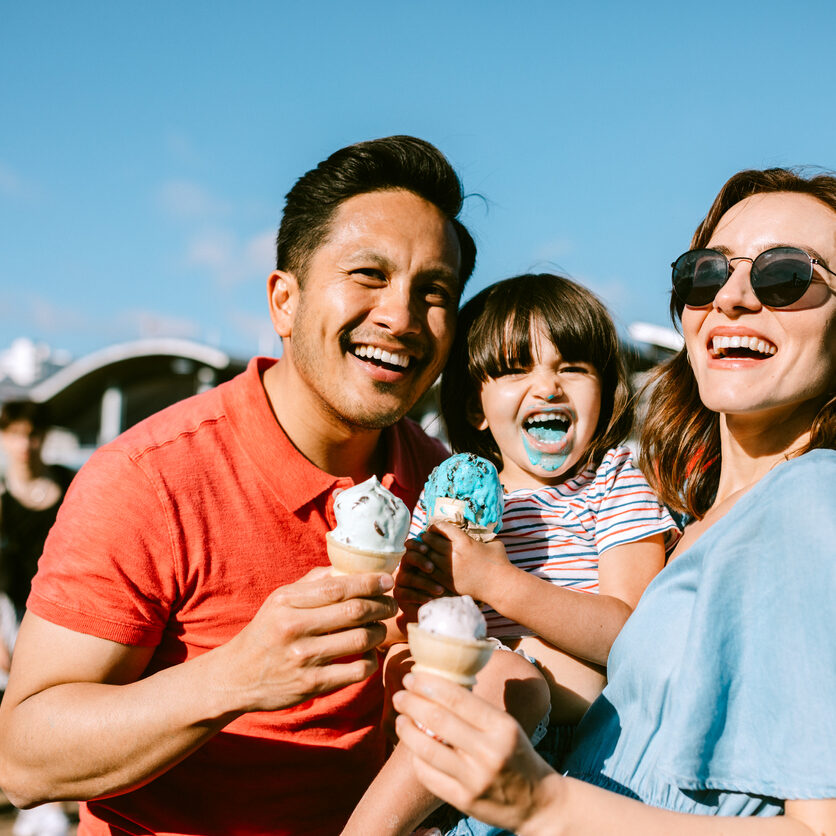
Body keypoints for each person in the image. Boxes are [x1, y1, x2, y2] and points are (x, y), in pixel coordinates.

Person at [0, 135, 477, 836]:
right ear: (284, 301)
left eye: (433, 291)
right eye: (369, 274)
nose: (401, 317)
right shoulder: (151, 478)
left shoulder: (445, 492)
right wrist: (238, 676)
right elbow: (22, 758)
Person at [393, 167, 836, 835]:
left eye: (786, 277)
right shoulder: (698, 524)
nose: (733, 298)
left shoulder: (809, 498)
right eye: (706, 274)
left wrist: (546, 806)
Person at [343, 274, 679, 835]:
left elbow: (631, 636)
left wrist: (495, 582)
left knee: (510, 676)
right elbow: (403, 640)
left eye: (572, 366)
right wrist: (414, 600)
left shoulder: (615, 482)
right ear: (476, 407)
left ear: (606, 389)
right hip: (450, 757)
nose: (547, 387)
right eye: (516, 368)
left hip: (577, 762)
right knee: (488, 672)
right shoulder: (444, 496)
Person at [0, 401, 76, 836]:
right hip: (17, 621)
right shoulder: (2, 502)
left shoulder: (71, 487)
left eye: (31, 433)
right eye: (14, 434)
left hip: (67, 619)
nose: (24, 444)